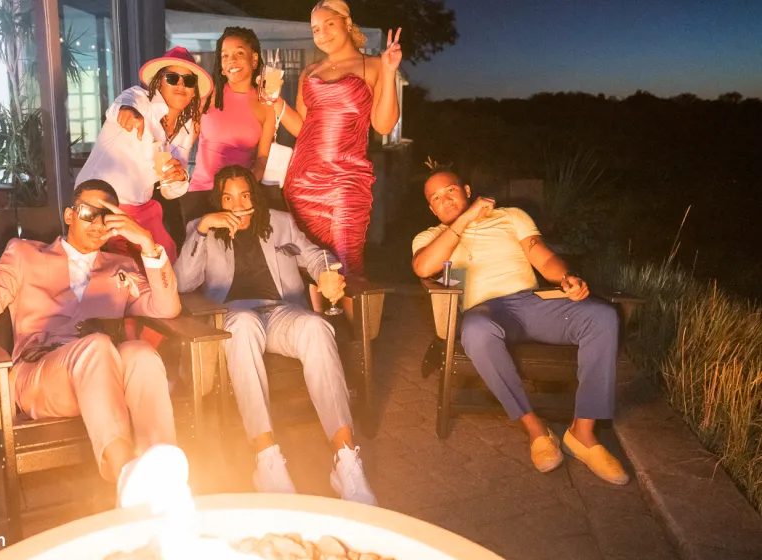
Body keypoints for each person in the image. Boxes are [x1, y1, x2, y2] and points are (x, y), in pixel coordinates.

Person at [0, 179, 185, 499]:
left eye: (107, 217)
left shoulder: (122, 266)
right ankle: (126, 478)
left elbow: (167, 308)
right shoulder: (24, 255)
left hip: (101, 378)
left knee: (140, 353)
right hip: (41, 375)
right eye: (89, 212)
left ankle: (162, 478)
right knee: (99, 346)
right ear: (69, 215)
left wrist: (148, 245)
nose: (97, 223)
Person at [411, 166, 629, 485]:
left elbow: (542, 257)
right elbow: (424, 267)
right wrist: (463, 221)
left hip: (531, 301)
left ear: (467, 190)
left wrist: (564, 277)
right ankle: (535, 429)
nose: (444, 200)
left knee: (602, 317)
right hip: (485, 313)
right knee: (475, 330)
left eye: (450, 191)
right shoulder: (430, 237)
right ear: (431, 209)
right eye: (435, 198)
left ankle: (583, 432)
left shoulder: (510, 216)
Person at [174, 165, 377, 505]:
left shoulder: (281, 222)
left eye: (245, 195)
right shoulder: (203, 230)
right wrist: (204, 227)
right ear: (218, 202)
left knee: (316, 327)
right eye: (228, 198)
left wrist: (327, 274)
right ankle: (266, 458)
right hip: (234, 317)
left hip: (280, 311)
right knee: (243, 325)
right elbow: (182, 284)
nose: (238, 205)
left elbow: (316, 256)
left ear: (254, 196)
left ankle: (345, 461)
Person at [269, 0, 402, 279]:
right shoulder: (310, 72)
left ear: (348, 24)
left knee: (348, 264)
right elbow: (303, 128)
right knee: (313, 266)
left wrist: (389, 73)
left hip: (347, 180)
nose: (322, 34)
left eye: (329, 24)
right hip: (303, 181)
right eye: (316, 29)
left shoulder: (375, 65)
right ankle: (323, 322)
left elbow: (383, 123)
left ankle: (356, 323)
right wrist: (276, 102)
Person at [75, 47, 213, 263]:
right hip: (99, 204)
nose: (181, 85)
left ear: (194, 91)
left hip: (140, 208)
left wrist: (179, 177)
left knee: (165, 261)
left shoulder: (186, 130)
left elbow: (170, 191)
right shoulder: (139, 98)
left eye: (188, 81)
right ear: (159, 82)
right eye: (173, 78)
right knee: (122, 270)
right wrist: (130, 114)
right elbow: (120, 108)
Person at [187, 27, 276, 193]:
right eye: (225, 56)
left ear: (254, 59)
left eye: (239, 53)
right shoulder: (207, 96)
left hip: (239, 197)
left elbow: (262, 158)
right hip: (201, 192)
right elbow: (184, 142)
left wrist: (247, 185)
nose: (231, 61)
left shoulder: (266, 105)